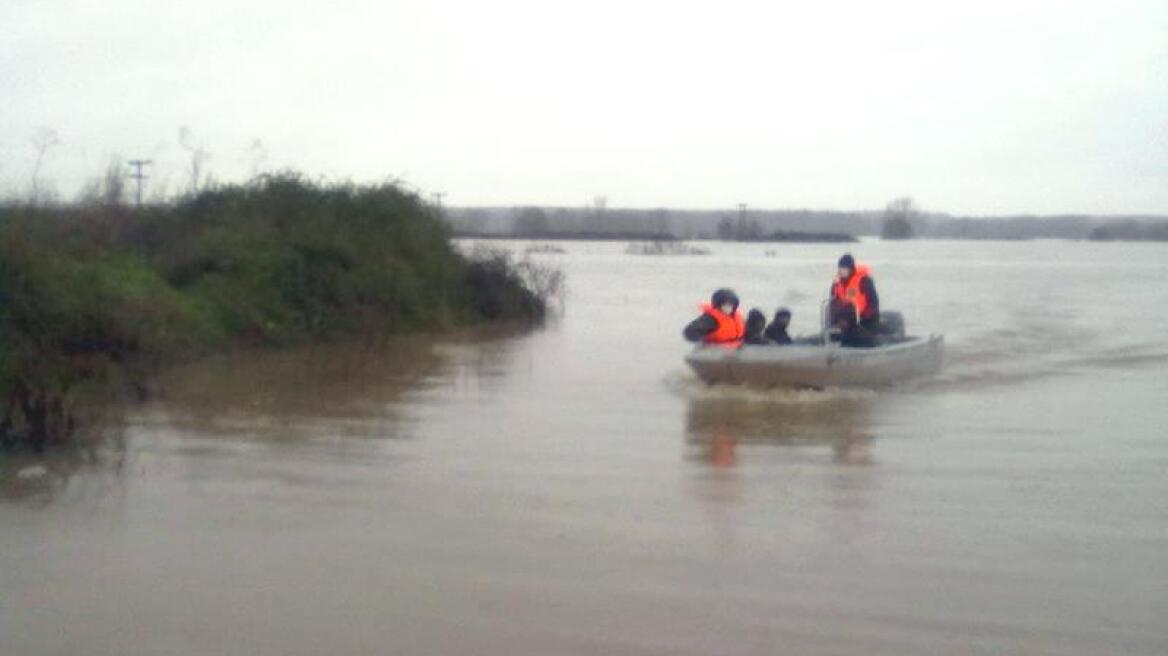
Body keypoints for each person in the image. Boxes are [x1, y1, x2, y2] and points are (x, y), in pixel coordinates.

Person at [829, 253, 880, 347]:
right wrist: (835, 322)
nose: (841, 271)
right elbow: (833, 304)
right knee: (835, 335)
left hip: (864, 322)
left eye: (844, 268)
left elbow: (873, 304)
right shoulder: (836, 285)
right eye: (840, 268)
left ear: (851, 269)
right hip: (844, 322)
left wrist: (862, 319)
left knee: (854, 337)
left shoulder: (864, 281)